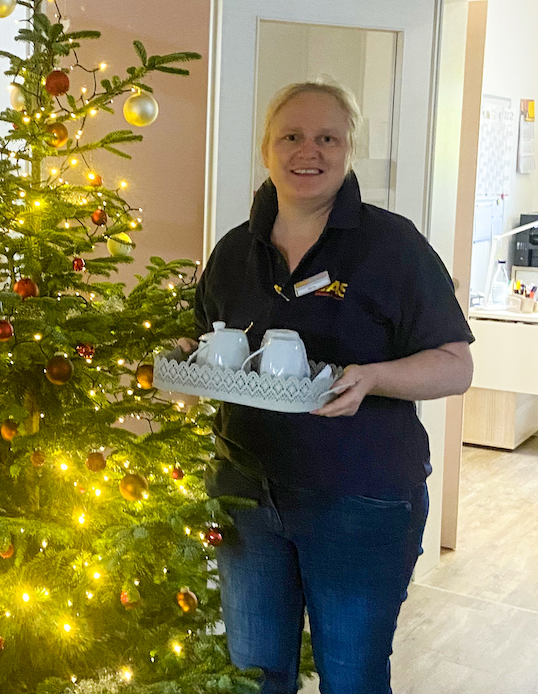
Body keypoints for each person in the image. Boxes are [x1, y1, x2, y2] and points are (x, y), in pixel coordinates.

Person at [190, 81, 474, 694]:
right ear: (267, 149)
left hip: (360, 502)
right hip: (247, 493)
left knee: (351, 679)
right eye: (291, 136)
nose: (307, 151)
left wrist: (375, 378)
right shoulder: (236, 251)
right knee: (253, 677)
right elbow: (208, 344)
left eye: (327, 137)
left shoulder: (392, 246)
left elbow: (456, 365)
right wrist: (184, 365)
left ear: (349, 151)